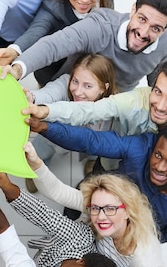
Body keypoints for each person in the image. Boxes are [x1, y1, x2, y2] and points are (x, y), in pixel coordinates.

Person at [23, 144, 166, 267]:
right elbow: (57, 191)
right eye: (95, 208)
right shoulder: (99, 209)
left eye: (110, 209)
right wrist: (36, 163)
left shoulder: (144, 263)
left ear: (128, 211)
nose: (100, 217)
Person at [30, 120, 167, 242]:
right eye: (158, 155)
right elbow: (92, 141)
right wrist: (44, 127)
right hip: (100, 196)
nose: (159, 166)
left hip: (124, 235)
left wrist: (141, 239)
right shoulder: (141, 147)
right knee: (72, 208)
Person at [0, 0, 167, 92]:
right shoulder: (100, 26)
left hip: (116, 98)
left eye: (155, 28)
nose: (144, 33)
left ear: (164, 30)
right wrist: (17, 69)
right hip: (75, 88)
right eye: (142, 19)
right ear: (133, 10)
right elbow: (54, 45)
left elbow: (157, 80)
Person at [26, 58, 167, 154]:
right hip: (113, 151)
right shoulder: (133, 101)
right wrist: (44, 110)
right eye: (157, 91)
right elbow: (89, 110)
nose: (159, 105)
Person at [5, 0, 117, 85]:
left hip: (92, 67)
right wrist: (14, 50)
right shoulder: (53, 7)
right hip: (56, 69)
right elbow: (36, 30)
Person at [26, 52, 118, 184]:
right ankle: (34, 171)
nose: (78, 92)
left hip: (90, 142)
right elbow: (49, 93)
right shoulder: (65, 83)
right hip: (51, 137)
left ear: (104, 88)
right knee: (40, 152)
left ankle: (91, 160)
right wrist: (32, 97)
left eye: (88, 86)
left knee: (95, 149)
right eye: (75, 81)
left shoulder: (114, 107)